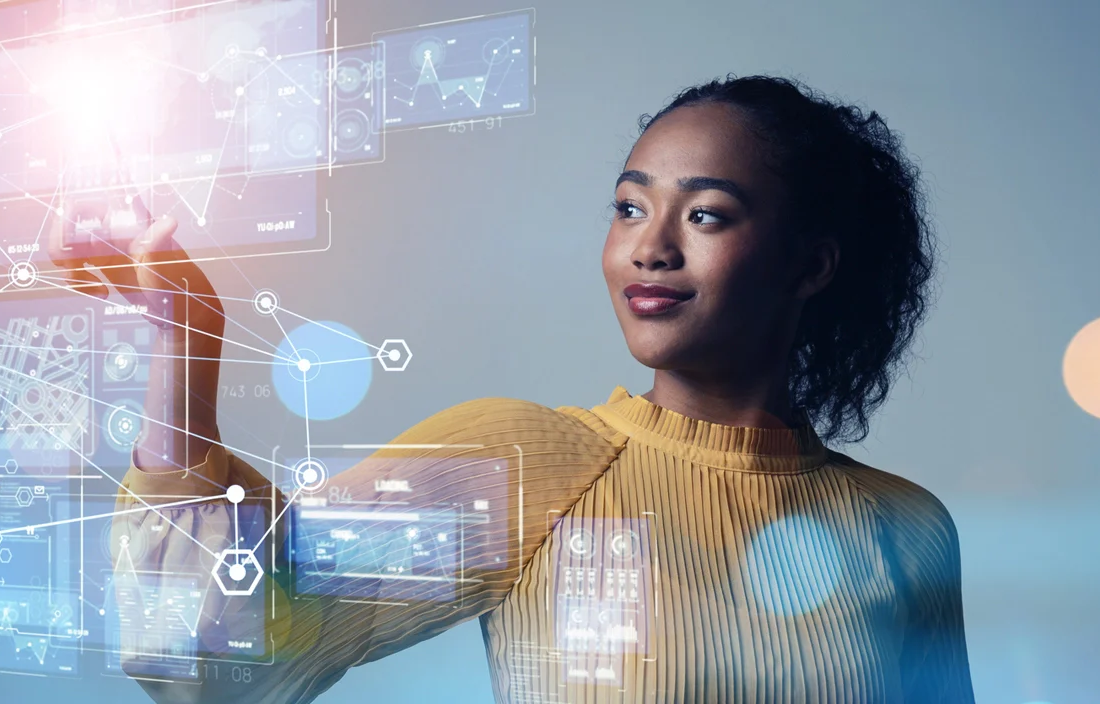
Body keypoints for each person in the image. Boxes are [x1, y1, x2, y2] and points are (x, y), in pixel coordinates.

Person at [75, 75, 971, 703]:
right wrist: (182, 340)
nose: (649, 246)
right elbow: (222, 655)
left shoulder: (907, 530)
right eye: (629, 206)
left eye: (705, 215)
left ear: (811, 265)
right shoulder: (526, 464)